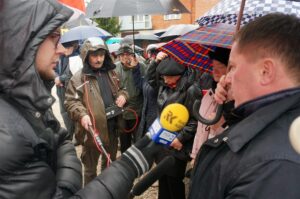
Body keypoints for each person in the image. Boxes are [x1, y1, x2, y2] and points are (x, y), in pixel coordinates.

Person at [189, 13, 300, 199]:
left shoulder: (272, 167)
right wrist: (228, 106)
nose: (227, 78)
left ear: (265, 72)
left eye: (232, 67)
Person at [64, 37, 128, 185]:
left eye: (101, 55)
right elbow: (70, 102)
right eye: (94, 55)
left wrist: (123, 96)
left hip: (112, 128)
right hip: (91, 133)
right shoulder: (78, 78)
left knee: (109, 166)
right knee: (90, 171)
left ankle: (106, 191)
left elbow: (123, 89)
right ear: (86, 56)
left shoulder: (112, 73)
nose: (99, 59)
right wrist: (82, 114)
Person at [146, 52, 201, 199]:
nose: (164, 79)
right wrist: (155, 62)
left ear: (178, 75)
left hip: (176, 144)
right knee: (162, 177)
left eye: (167, 77)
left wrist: (180, 139)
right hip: (162, 140)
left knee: (174, 181)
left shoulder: (191, 90)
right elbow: (150, 78)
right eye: (163, 76)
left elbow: (194, 121)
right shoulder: (165, 86)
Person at [190, 47, 231, 163]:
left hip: (219, 161)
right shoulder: (208, 95)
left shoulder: (238, 99)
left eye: (221, 66)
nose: (215, 71)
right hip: (203, 158)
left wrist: (220, 126)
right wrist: (195, 155)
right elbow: (200, 129)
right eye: (213, 67)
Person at [115, 45, 147, 152]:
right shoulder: (115, 69)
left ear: (132, 55)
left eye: (128, 54)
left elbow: (145, 86)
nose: (125, 57)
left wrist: (135, 68)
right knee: (124, 140)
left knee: (138, 140)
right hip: (122, 112)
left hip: (137, 110)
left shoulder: (141, 66)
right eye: (122, 55)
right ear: (119, 57)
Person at [54, 40, 79, 140]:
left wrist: (60, 79)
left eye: (66, 48)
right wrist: (56, 77)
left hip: (71, 90)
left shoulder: (76, 57)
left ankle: (77, 136)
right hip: (60, 90)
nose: (64, 50)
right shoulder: (62, 56)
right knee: (64, 113)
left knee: (74, 112)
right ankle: (70, 134)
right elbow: (54, 69)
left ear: (72, 47)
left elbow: (74, 73)